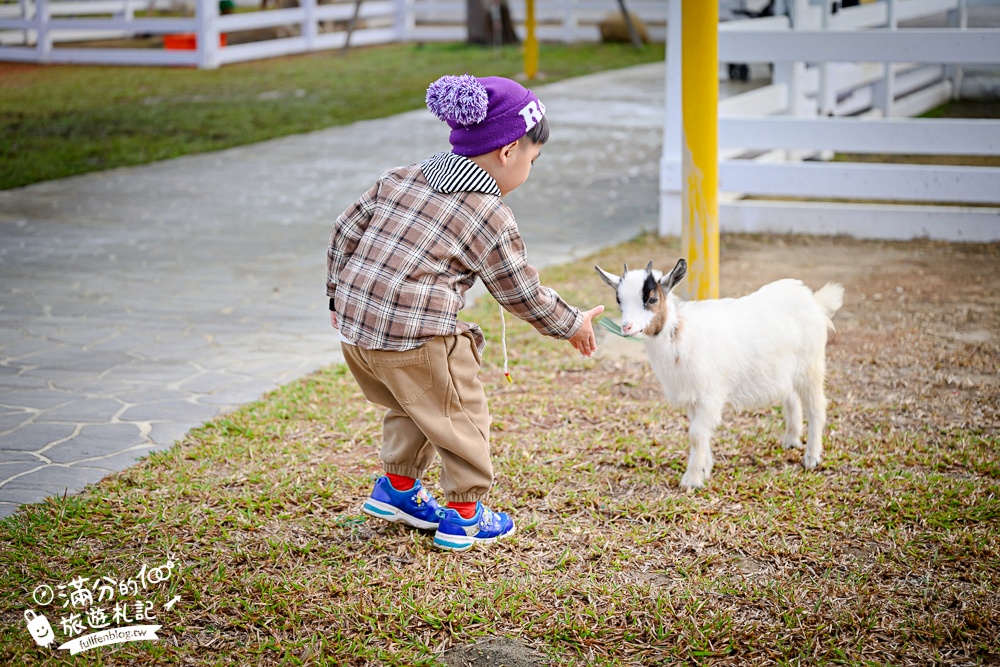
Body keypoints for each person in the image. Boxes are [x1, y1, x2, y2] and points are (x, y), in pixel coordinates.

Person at [326, 74, 604, 552]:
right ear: (509, 150)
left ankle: (398, 489)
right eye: (533, 160)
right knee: (459, 413)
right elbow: (519, 290)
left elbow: (344, 230)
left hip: (358, 332)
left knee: (410, 401)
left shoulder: (400, 177)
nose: (530, 170)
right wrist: (571, 322)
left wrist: (336, 297)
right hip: (419, 335)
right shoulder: (487, 212)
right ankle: (466, 513)